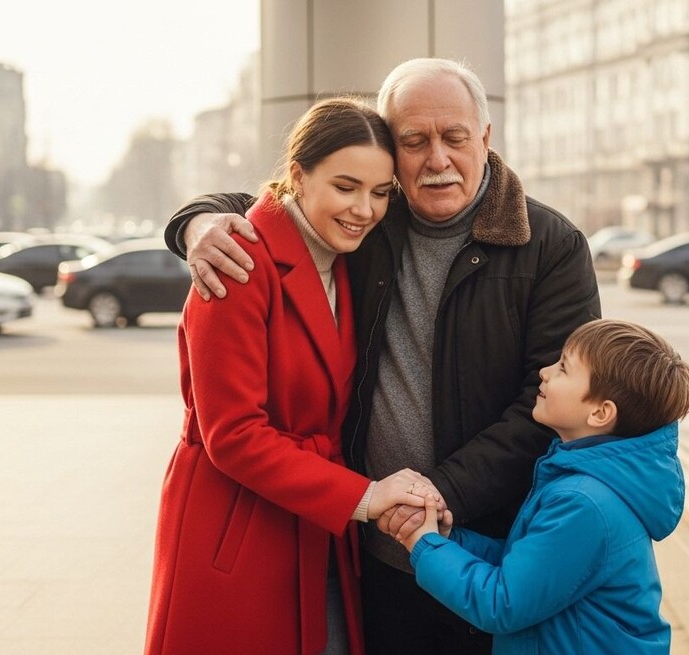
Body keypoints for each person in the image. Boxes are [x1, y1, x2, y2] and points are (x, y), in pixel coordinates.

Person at [163, 58, 601, 654]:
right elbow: (292, 200)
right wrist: (196, 222)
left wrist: (435, 498)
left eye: (455, 138)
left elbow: (549, 405)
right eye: (414, 142)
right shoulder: (371, 221)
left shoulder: (550, 246)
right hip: (370, 549)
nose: (437, 159)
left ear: (486, 139)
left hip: (487, 546)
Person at [145, 97, 444, 655]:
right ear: (298, 175)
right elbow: (232, 436)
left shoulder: (349, 257)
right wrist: (367, 495)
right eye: (346, 186)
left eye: (381, 193)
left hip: (315, 521)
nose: (365, 209)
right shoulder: (236, 260)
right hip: (236, 525)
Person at [401, 319, 689, 654]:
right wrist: (449, 539)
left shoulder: (584, 502)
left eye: (563, 368)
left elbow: (503, 604)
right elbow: (529, 568)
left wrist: (424, 544)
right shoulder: (584, 480)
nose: (544, 371)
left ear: (600, 413)